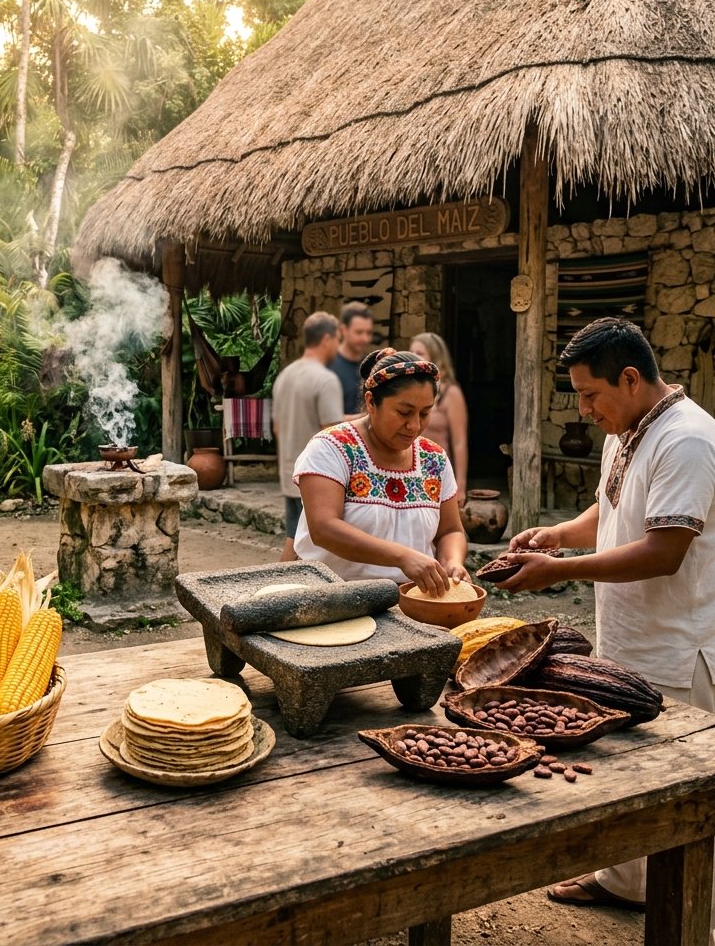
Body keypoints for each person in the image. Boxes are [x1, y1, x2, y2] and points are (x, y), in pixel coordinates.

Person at [499, 317, 715, 919]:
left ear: (629, 378)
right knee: (628, 771)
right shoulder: (627, 430)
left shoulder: (687, 439)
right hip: (631, 636)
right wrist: (559, 536)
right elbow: (611, 505)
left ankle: (686, 908)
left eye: (591, 395)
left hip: (679, 644)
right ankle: (623, 885)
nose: (586, 409)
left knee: (677, 781)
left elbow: (664, 550)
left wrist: (558, 571)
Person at [293, 346, 469, 594]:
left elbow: (450, 530)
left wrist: (452, 561)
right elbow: (324, 528)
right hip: (331, 596)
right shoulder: (331, 448)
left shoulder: (434, 460)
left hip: (411, 599)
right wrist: (401, 556)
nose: (415, 425)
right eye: (404, 412)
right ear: (371, 401)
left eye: (425, 413)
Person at [272, 312, 345, 561]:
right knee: (302, 546)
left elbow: (277, 428)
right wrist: (366, 417)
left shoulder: (285, 375)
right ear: (327, 339)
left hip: (290, 470)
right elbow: (333, 430)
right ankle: (279, 593)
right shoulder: (325, 380)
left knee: (294, 538)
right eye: (337, 339)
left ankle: (278, 591)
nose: (338, 346)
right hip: (316, 476)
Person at [409, 332, 469, 506]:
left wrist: (461, 486)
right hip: (409, 470)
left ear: (435, 358)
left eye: (420, 353)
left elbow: (459, 442)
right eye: (411, 352)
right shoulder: (407, 391)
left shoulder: (451, 393)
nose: (414, 357)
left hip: (436, 472)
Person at [329, 302, 376, 414]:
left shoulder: (372, 365)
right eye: (359, 332)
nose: (365, 338)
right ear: (344, 330)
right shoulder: (329, 365)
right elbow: (327, 420)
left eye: (368, 333)